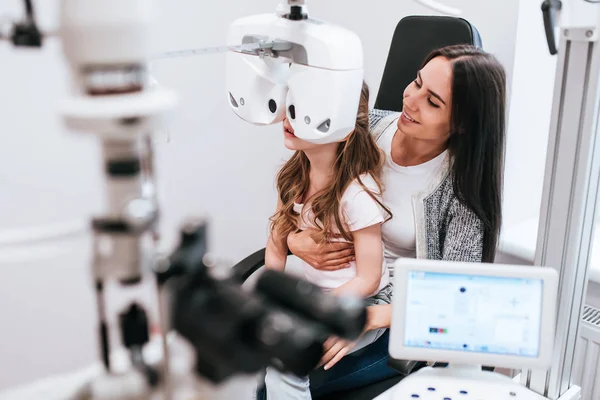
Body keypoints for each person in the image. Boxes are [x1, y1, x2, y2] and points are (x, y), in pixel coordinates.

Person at [285, 44, 507, 397]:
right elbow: (300, 190)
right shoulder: (366, 128)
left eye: (433, 102)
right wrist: (294, 242)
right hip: (331, 284)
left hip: (390, 315)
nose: (411, 99)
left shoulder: (459, 192)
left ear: (462, 123)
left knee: (298, 377)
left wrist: (367, 319)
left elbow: (454, 297)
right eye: (416, 82)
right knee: (265, 352)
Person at [261, 80, 394, 400]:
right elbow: (276, 246)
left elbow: (369, 277)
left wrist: (314, 306)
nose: (288, 119)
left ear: (343, 130)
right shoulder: (292, 178)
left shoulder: (358, 194)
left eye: (305, 113)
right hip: (316, 298)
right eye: (291, 108)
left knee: (287, 361)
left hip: (365, 302)